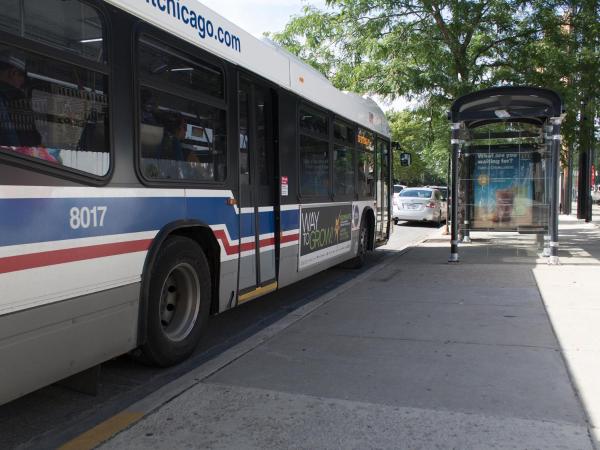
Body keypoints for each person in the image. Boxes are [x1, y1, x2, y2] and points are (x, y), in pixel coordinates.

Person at [0, 51, 41, 148]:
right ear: (13, 73)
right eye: (23, 78)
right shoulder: (16, 99)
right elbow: (11, 141)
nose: (22, 84)